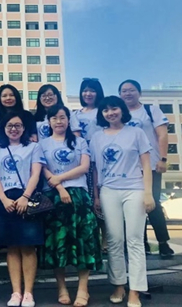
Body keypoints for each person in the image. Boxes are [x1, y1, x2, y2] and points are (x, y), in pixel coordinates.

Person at [90, 96, 155, 307]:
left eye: (114, 108)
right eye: (106, 110)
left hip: (134, 189)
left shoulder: (136, 133)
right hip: (108, 191)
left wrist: (148, 193)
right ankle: (119, 285)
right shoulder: (97, 137)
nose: (110, 113)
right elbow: (95, 170)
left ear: (122, 110)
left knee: (135, 240)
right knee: (114, 239)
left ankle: (135, 290)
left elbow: (146, 164)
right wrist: (96, 195)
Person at [39, 105, 101, 307]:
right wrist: (59, 187)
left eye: (62, 117)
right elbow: (43, 169)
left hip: (79, 195)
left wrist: (60, 178)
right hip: (53, 197)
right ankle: (62, 287)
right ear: (49, 122)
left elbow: (84, 167)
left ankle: (83, 288)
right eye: (54, 118)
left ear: (68, 120)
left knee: (84, 241)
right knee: (58, 242)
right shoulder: (42, 144)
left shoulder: (80, 141)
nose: (59, 121)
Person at [0, 112, 45, 307]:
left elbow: (35, 173)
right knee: (11, 246)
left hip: (26, 198)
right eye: (10, 125)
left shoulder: (33, 147)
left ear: (24, 128)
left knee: (28, 246)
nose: (14, 129)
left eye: (18, 125)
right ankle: (16, 292)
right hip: (5, 199)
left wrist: (25, 197)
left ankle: (28, 292)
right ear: (4, 129)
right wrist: (3, 199)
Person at [118, 79, 173, 259]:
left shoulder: (151, 110)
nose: (127, 93)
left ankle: (163, 242)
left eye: (131, 90)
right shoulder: (119, 114)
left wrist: (163, 159)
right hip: (129, 169)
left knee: (153, 203)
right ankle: (142, 242)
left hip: (152, 165)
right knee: (134, 206)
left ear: (139, 92)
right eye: (124, 91)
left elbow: (162, 134)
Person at [71, 78, 106, 252]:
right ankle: (92, 240)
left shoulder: (103, 111)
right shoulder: (75, 114)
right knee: (89, 200)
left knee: (101, 198)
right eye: (85, 90)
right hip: (83, 159)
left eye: (92, 90)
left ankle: (106, 238)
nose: (88, 94)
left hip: (100, 157)